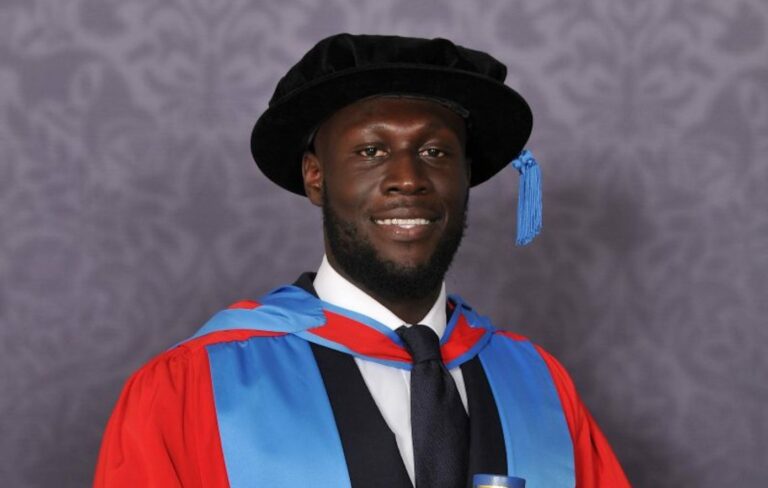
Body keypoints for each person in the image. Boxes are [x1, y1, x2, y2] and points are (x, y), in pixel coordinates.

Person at [94, 33, 630, 488]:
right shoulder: (193, 385)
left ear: (467, 176)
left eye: (436, 152)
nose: (408, 178)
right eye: (371, 151)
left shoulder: (538, 385)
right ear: (315, 177)